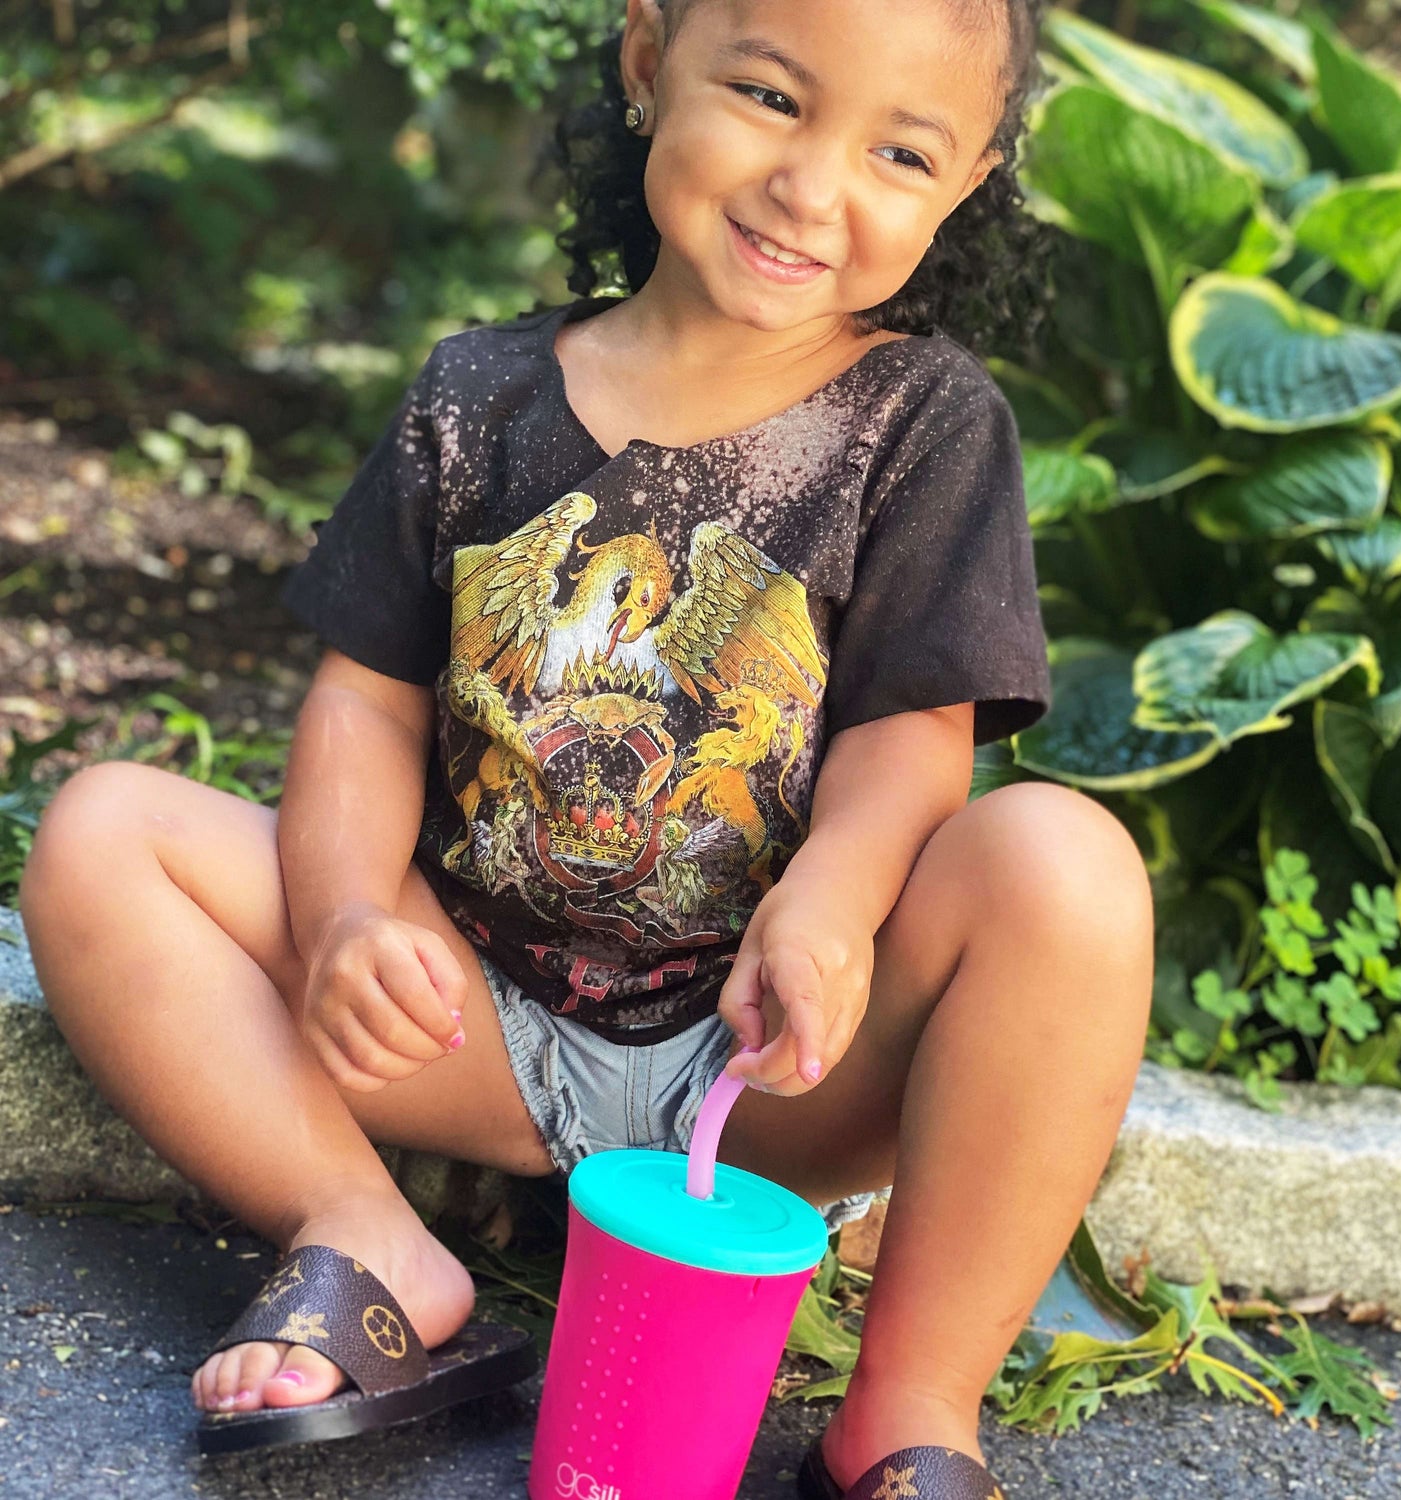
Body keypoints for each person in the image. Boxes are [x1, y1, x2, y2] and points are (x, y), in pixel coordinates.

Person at [18, 0, 1154, 1494]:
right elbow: (365, 704)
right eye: (768, 93)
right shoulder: (473, 401)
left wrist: (834, 902)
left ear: (972, 179)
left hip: (768, 1063)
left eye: (899, 148)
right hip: (464, 1023)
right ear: (645, 60)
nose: (814, 185)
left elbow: (910, 737)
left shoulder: (922, 424)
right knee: (103, 835)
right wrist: (352, 914)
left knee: (1066, 869)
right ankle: (363, 1236)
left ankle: (914, 1407)